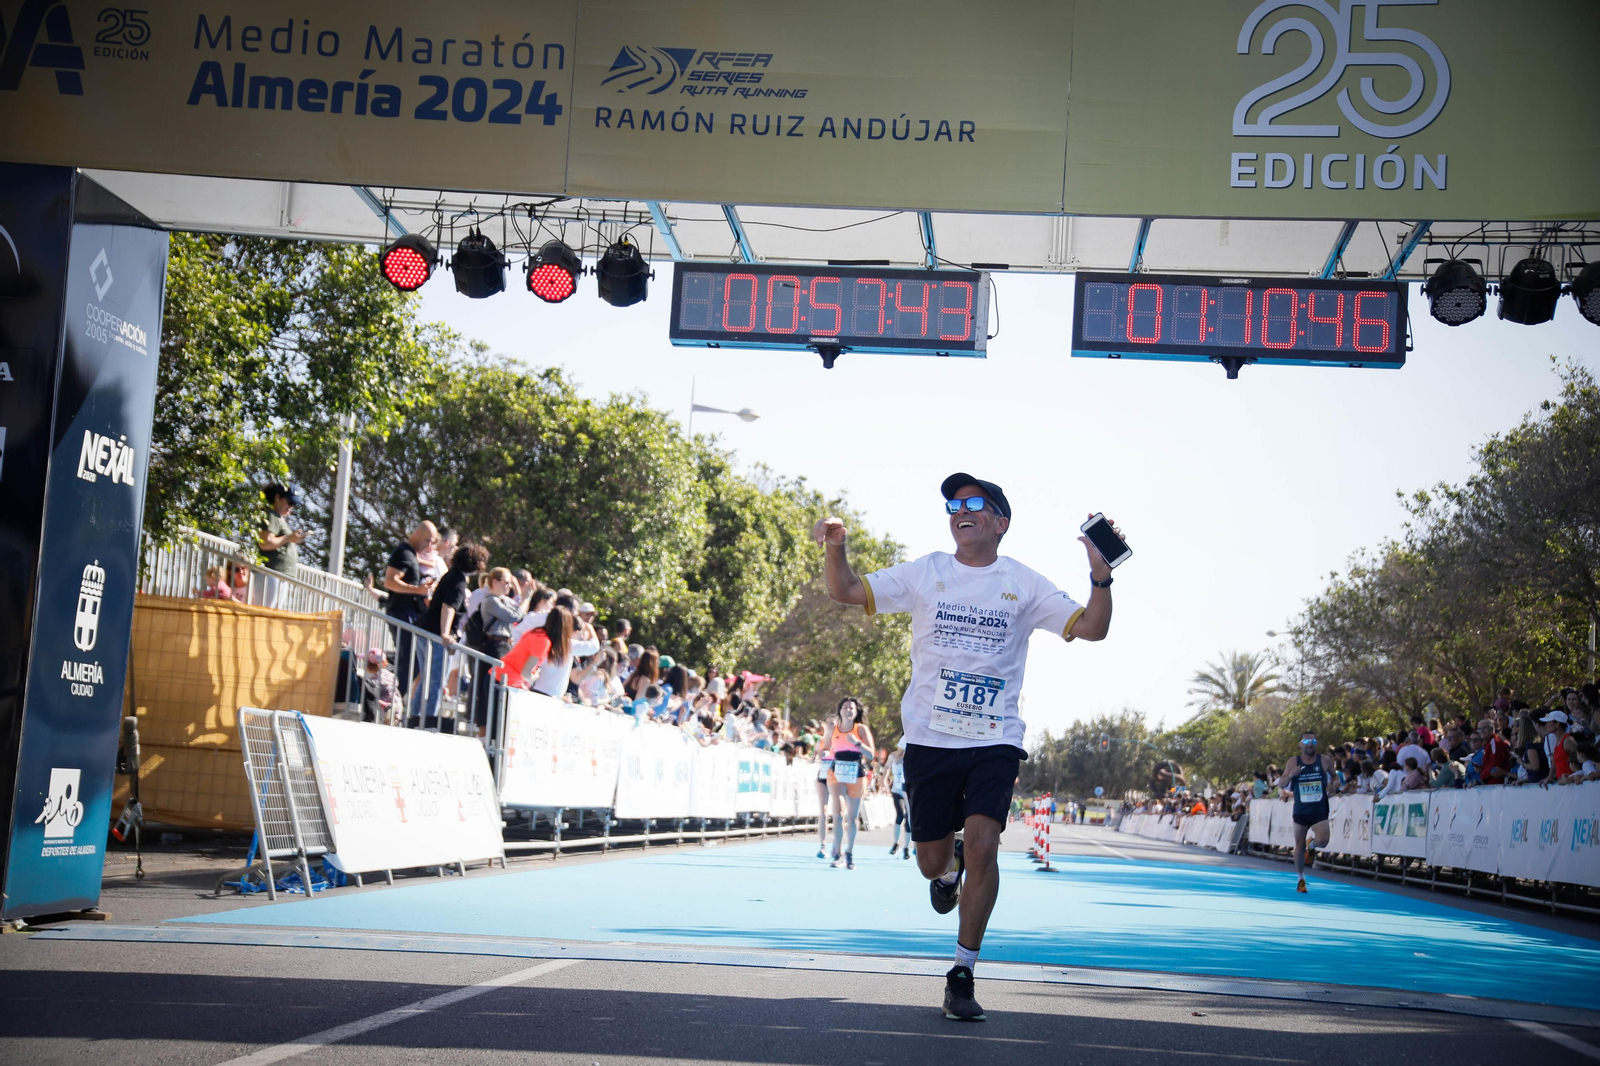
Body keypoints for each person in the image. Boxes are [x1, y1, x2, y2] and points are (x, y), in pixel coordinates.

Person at [812, 472, 1117, 1022]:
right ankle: (947, 866)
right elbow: (845, 590)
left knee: (983, 844)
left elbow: (1093, 629)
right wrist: (837, 548)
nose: (961, 509)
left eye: (975, 502)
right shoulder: (927, 571)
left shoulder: (1024, 584)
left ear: (1001, 522)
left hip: (994, 739)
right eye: (953, 503)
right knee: (932, 863)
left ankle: (961, 972)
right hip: (929, 741)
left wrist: (1101, 578)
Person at [413, 542, 486, 730]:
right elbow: (449, 606)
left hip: (425, 631)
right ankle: (427, 722)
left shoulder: (451, 576)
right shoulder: (458, 581)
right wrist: (445, 632)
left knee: (427, 679)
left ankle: (415, 719)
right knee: (436, 681)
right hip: (435, 635)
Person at [466, 567, 530, 734]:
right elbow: (514, 616)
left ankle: (494, 730)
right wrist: (523, 598)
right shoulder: (490, 601)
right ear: (495, 582)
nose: (508, 587)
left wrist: (521, 599)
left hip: (504, 647)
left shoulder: (503, 601)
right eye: (506, 583)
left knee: (498, 689)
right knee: (487, 690)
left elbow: (516, 613)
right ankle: (484, 731)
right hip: (493, 647)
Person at [385, 522, 439, 697]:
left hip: (410, 613)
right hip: (401, 612)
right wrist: (418, 590)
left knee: (414, 660)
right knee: (409, 660)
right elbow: (390, 581)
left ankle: (397, 698)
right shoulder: (403, 553)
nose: (429, 545)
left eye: (433, 542)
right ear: (416, 533)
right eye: (427, 540)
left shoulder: (412, 555)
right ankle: (394, 700)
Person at [1275, 732, 1333, 894]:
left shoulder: (1325, 760)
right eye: (1306, 741)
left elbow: (1335, 778)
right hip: (1301, 810)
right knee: (1299, 846)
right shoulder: (1293, 762)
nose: (1310, 744)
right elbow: (1282, 783)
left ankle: (1312, 845)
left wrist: (1333, 785)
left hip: (1319, 808)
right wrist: (1292, 775)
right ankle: (1301, 879)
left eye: (1313, 741)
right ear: (1300, 744)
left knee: (1323, 841)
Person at [822, 697, 875, 870]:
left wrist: (857, 743)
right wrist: (822, 751)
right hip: (836, 770)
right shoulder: (834, 728)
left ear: (857, 711)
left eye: (851, 708)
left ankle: (849, 852)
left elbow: (871, 755)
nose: (848, 710)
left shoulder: (861, 729)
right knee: (837, 814)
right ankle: (836, 852)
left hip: (855, 772)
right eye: (845, 707)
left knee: (851, 818)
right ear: (840, 710)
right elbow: (825, 748)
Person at [256, 483, 305, 609]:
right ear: (277, 497)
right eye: (289, 502)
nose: (290, 507)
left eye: (293, 505)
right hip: (269, 573)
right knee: (264, 612)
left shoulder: (278, 517)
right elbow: (265, 543)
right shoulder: (271, 515)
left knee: (272, 615)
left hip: (278, 575)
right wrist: (289, 537)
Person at [887, 738, 912, 859]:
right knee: (900, 815)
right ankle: (895, 843)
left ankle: (906, 847)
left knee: (909, 817)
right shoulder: (894, 756)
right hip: (897, 789)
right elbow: (888, 766)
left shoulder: (912, 756)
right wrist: (884, 780)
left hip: (906, 787)